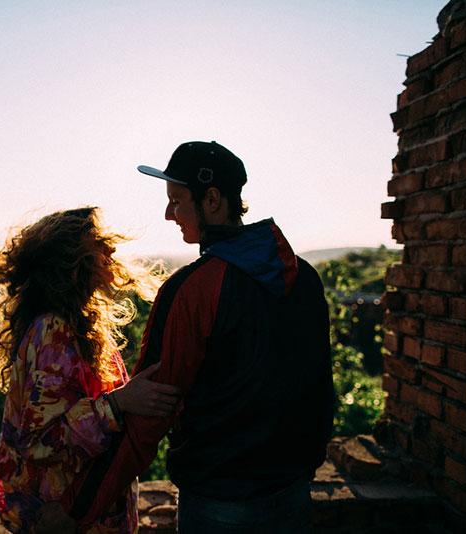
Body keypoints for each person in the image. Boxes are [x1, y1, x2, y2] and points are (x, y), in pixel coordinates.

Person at [62, 141, 335, 533]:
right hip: (291, 496)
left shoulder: (192, 290)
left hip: (218, 504)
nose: (169, 213)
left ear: (211, 200)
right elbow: (319, 388)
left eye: (176, 200)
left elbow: (148, 415)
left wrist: (76, 513)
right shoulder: (304, 277)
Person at [0, 207, 180, 533]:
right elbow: (38, 441)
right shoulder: (53, 332)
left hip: (83, 512)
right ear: (73, 263)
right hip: (60, 515)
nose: (111, 249)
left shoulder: (79, 325)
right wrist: (118, 403)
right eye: (100, 242)